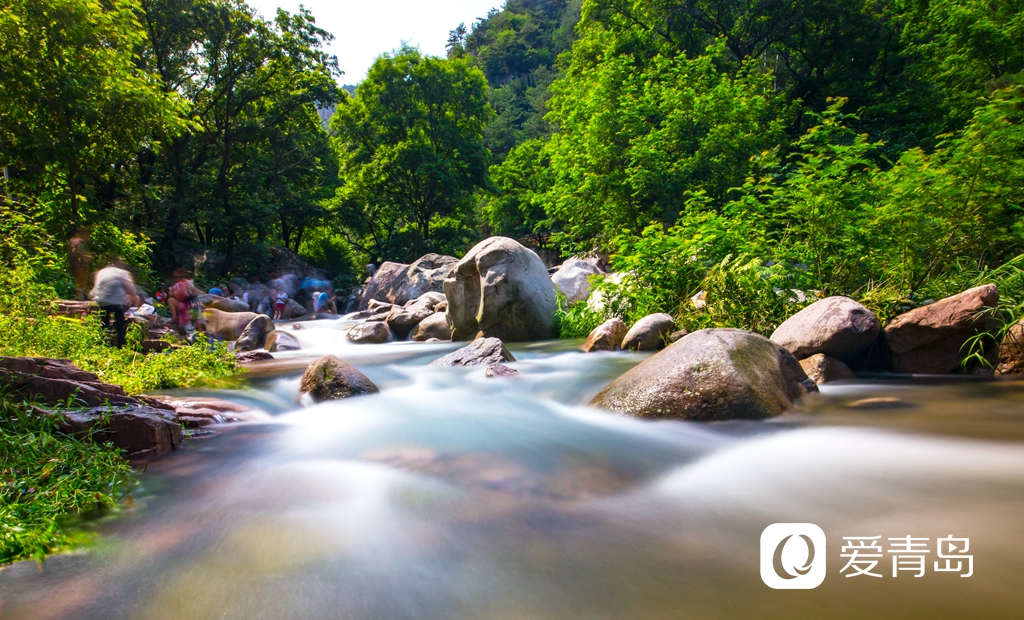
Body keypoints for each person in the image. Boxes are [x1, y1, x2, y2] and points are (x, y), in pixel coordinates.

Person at [89, 261, 140, 348]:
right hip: (116, 302)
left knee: (104, 323)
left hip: (101, 301)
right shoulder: (122, 273)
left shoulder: (101, 272)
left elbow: (94, 290)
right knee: (120, 324)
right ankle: (121, 346)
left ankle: (103, 343)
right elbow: (131, 290)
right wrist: (132, 300)